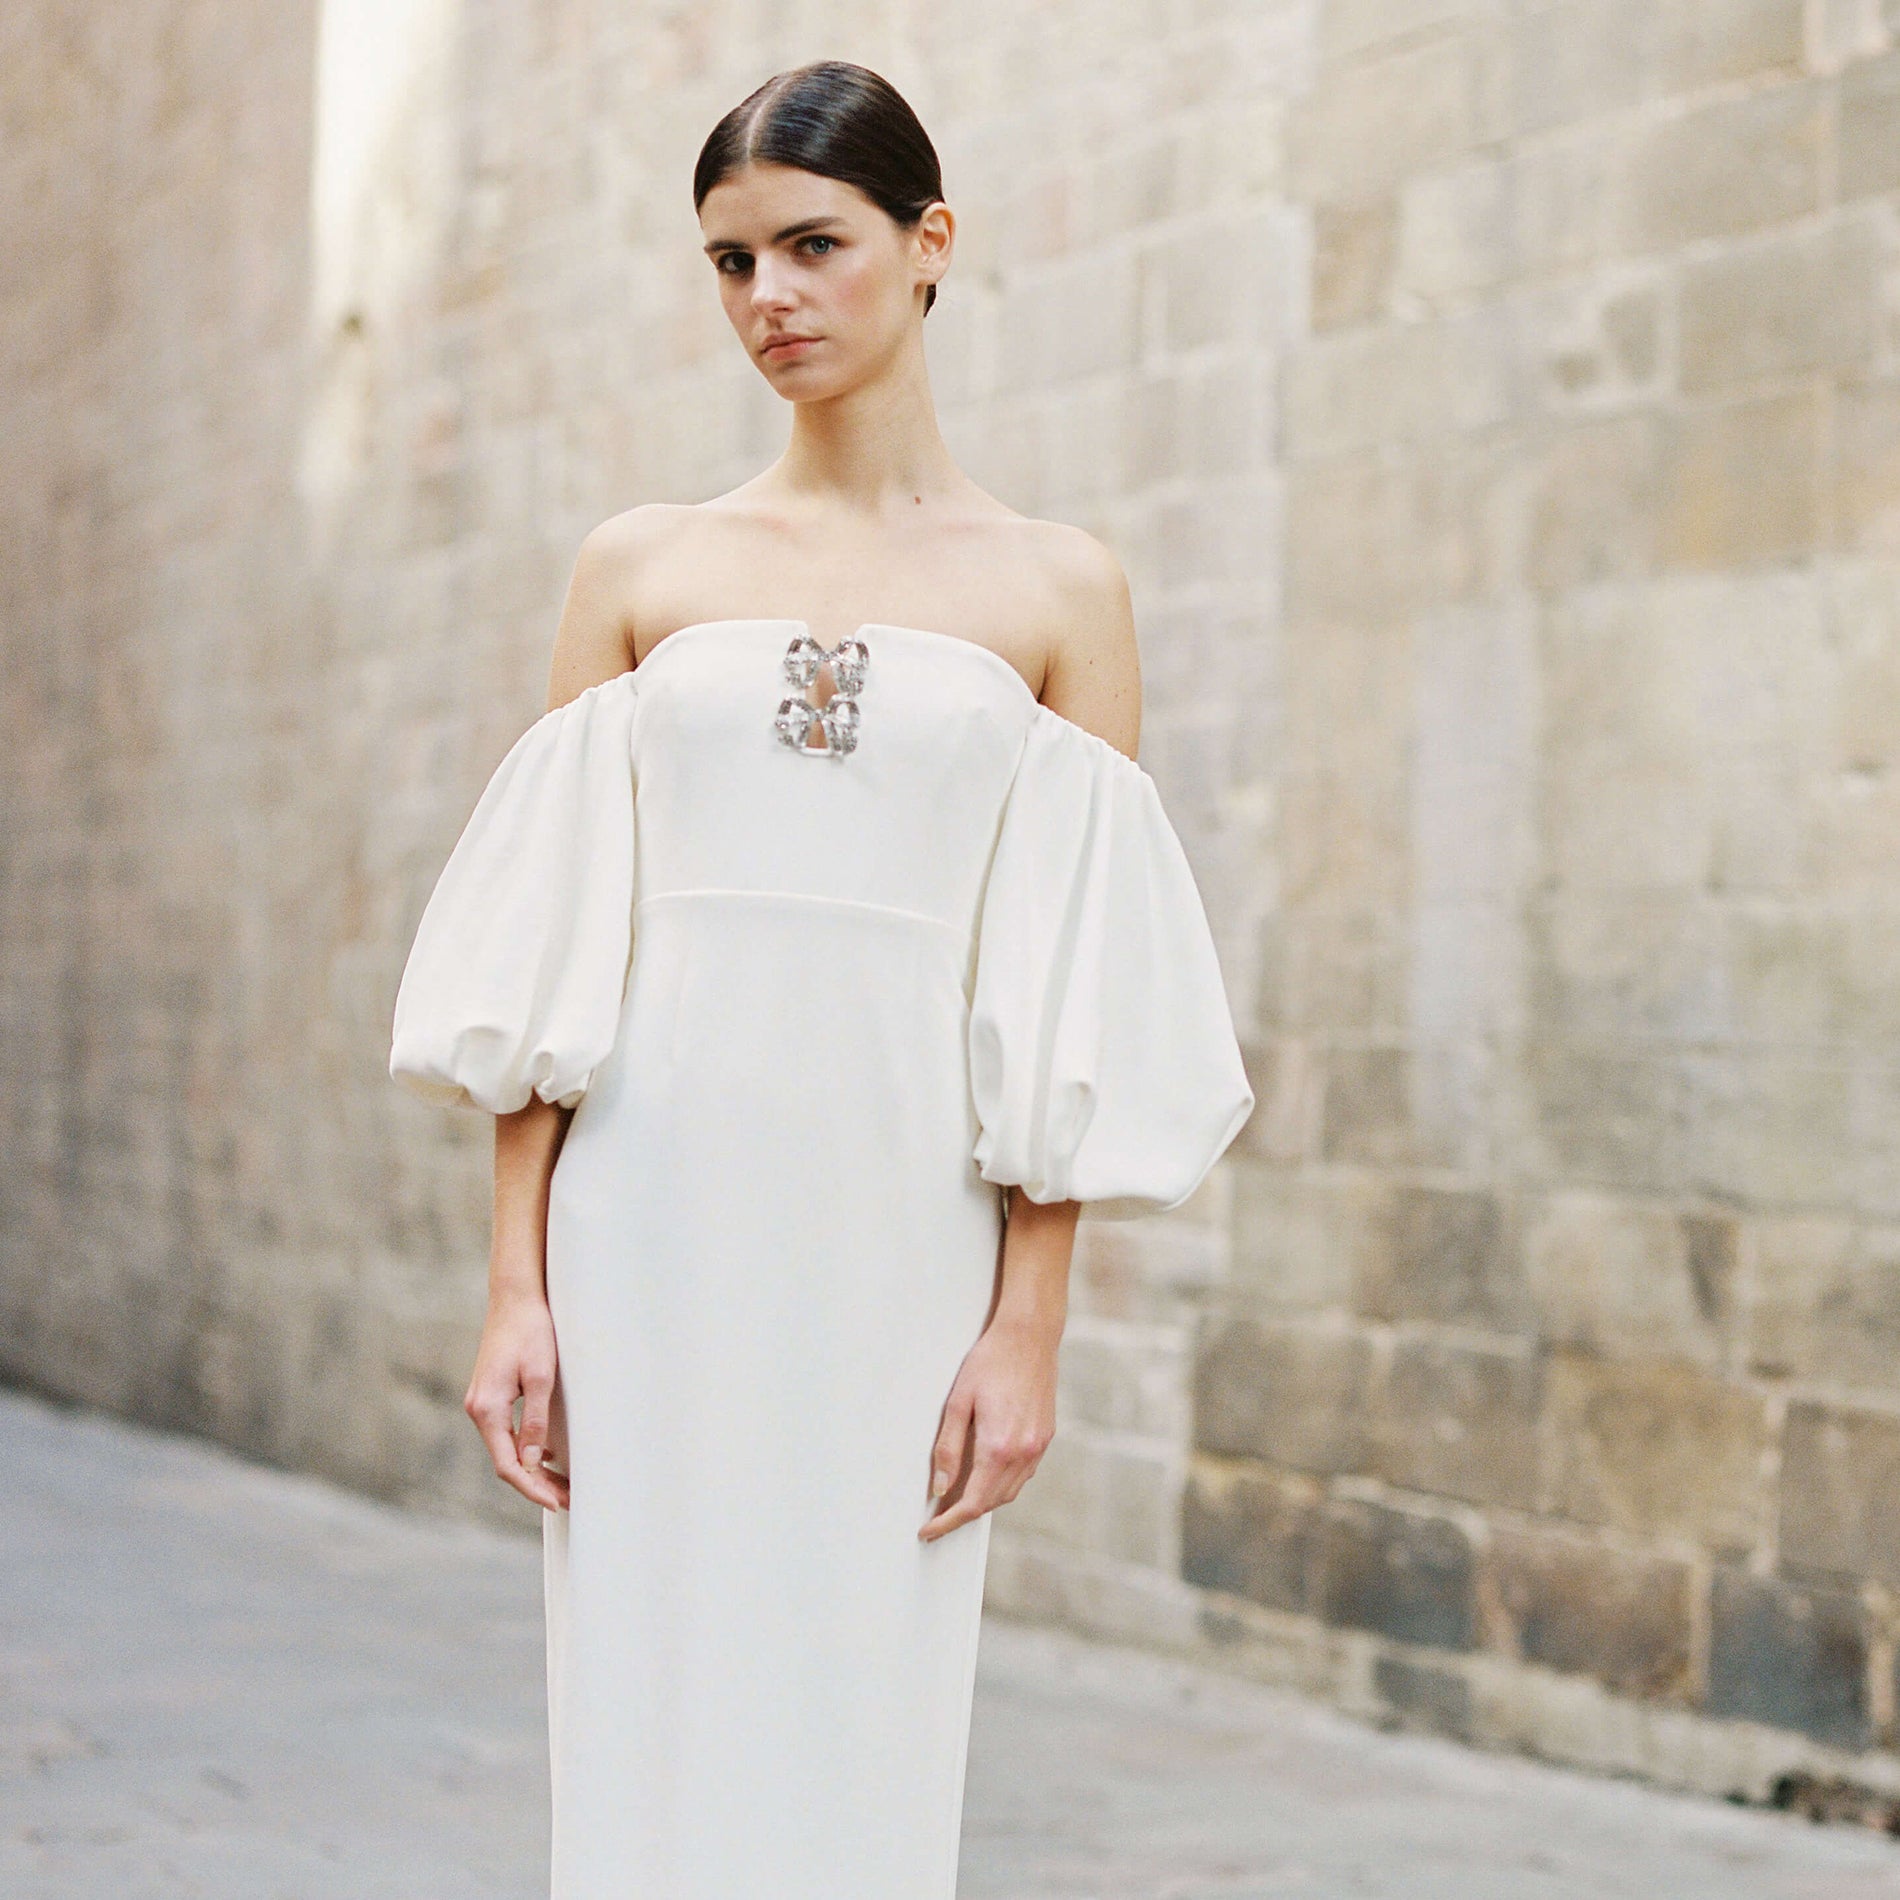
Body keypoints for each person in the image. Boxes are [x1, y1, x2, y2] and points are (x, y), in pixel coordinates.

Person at [388, 57, 1253, 1900]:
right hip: (649, 1222)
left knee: (869, 1705)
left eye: (812, 245)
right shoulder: (642, 566)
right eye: (727, 262)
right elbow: (560, 948)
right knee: (641, 1695)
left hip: (900, 1229)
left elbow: (1072, 984)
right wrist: (514, 1289)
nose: (766, 298)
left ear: (928, 244)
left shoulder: (1058, 589)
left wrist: (1029, 1326)